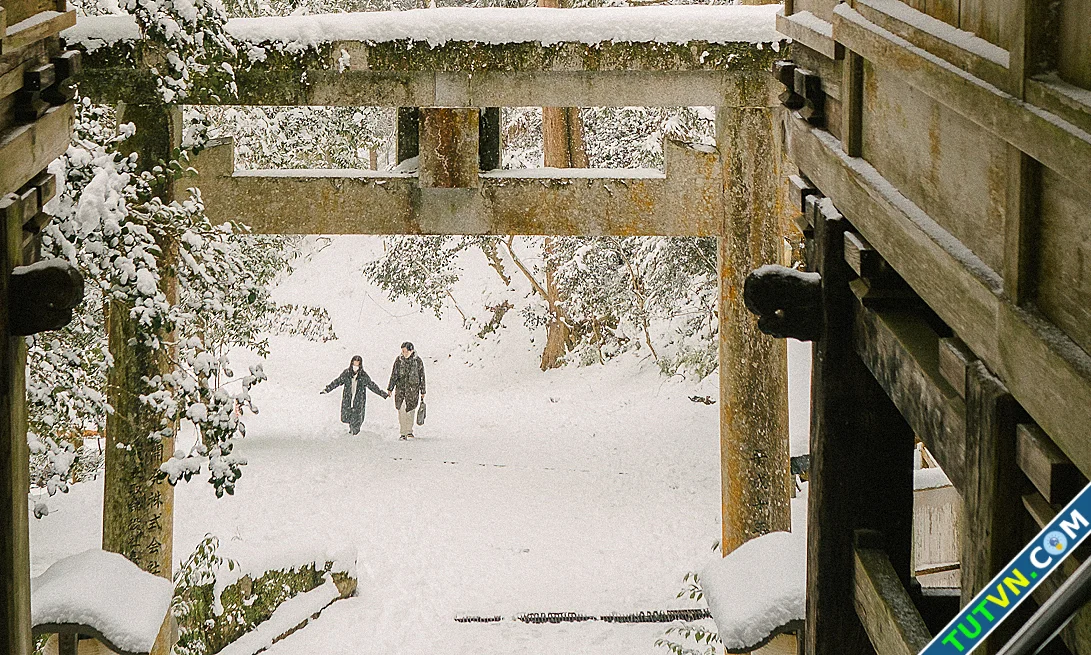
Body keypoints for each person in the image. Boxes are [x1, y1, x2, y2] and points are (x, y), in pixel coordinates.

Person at [321, 355, 388, 435]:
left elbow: (372, 385)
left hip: (358, 401)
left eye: (357, 365)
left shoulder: (363, 376)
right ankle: (351, 432)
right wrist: (327, 389)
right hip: (348, 399)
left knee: (356, 419)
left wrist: (382, 393)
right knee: (346, 417)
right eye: (354, 365)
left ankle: (354, 434)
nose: (355, 367)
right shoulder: (346, 373)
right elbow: (337, 381)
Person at [388, 341, 426, 440]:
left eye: (405, 351)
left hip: (413, 391)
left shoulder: (418, 361)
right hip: (400, 390)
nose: (404, 353)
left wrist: (423, 391)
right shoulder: (399, 360)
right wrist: (390, 388)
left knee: (411, 410)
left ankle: (409, 430)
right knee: (401, 410)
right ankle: (403, 432)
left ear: (411, 351)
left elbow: (422, 376)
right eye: (402, 351)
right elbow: (394, 375)